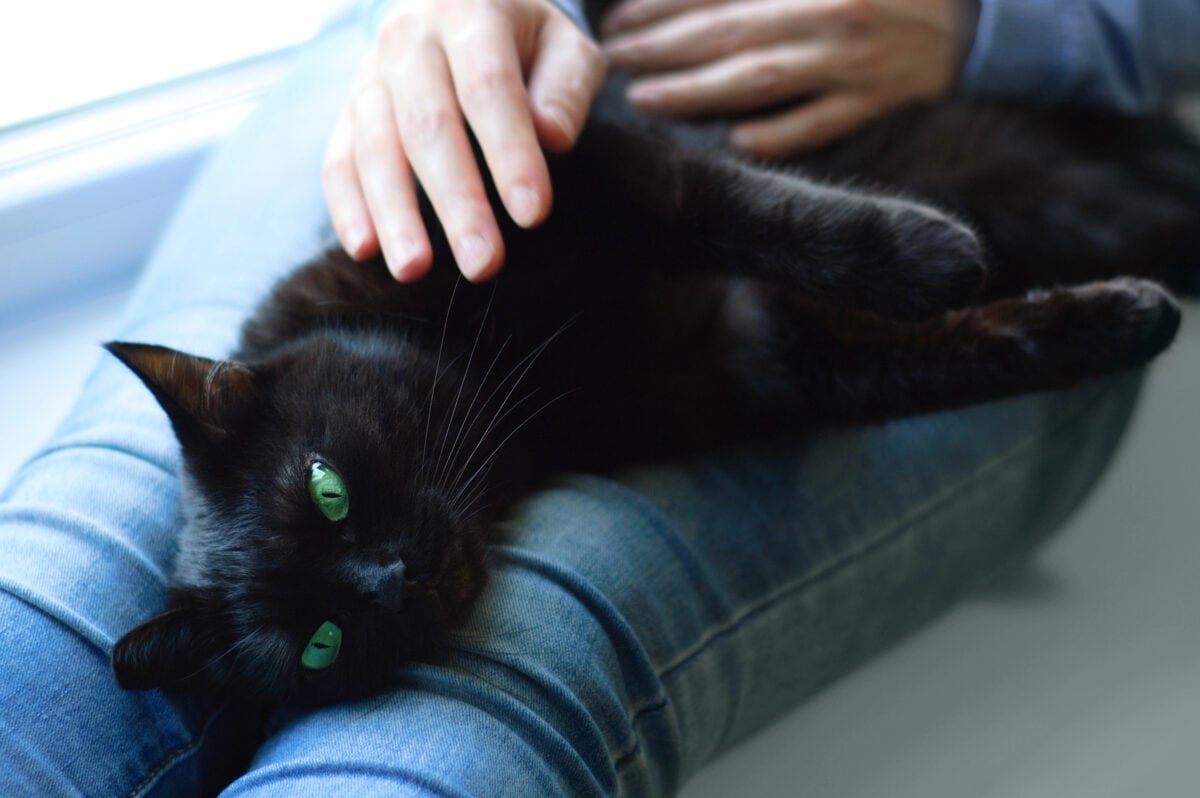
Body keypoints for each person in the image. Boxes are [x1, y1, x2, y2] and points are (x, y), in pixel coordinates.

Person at [1, 1, 1196, 795]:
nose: (388, 585)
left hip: (989, 64)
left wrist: (1013, 24)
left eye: (336, 512)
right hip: (483, 31)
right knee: (68, 593)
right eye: (335, 626)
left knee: (462, 734)